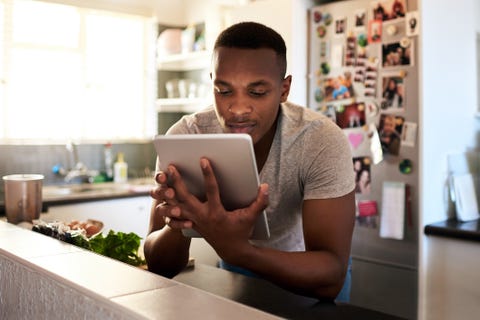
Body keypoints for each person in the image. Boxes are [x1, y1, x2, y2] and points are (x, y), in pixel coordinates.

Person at [144, 22, 356, 302]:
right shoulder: (186, 136)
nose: (238, 109)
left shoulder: (320, 140)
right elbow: (158, 265)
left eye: (256, 92)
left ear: (284, 89)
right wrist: (178, 223)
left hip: (309, 285)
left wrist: (238, 251)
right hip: (237, 280)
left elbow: (331, 276)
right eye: (224, 90)